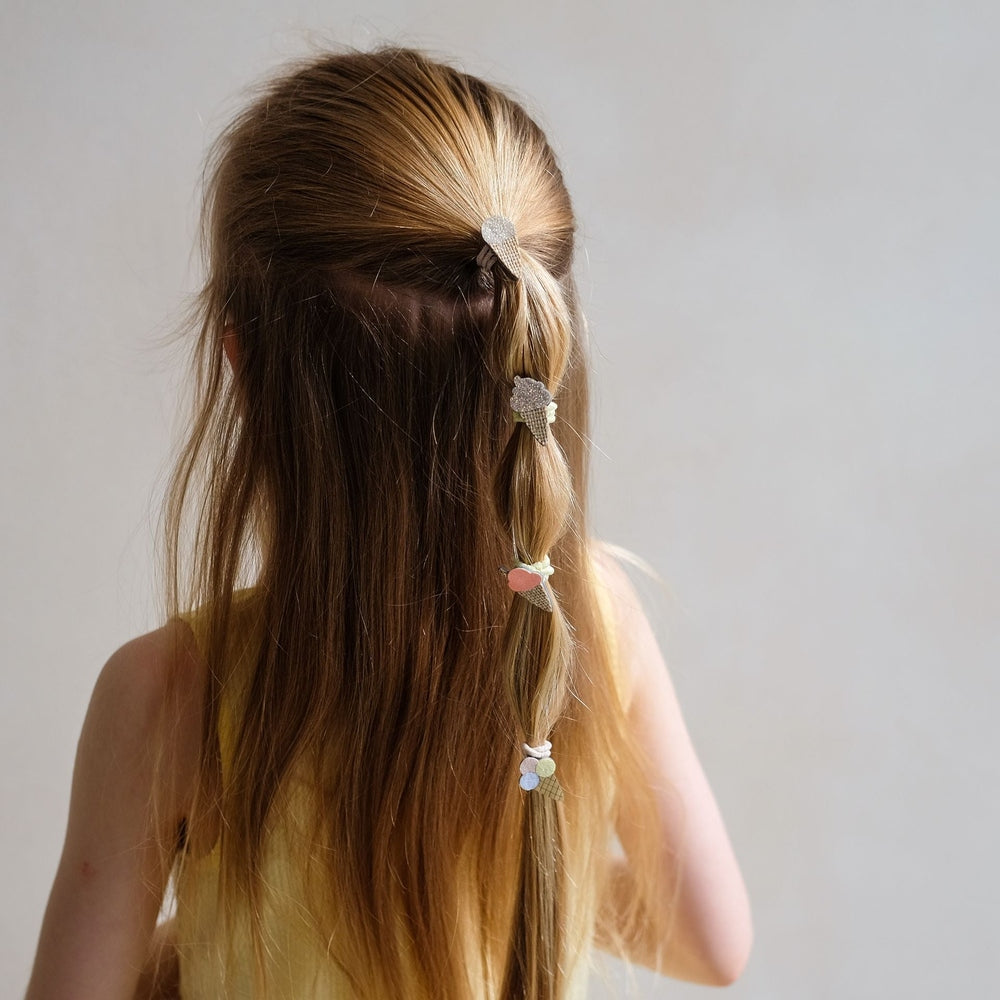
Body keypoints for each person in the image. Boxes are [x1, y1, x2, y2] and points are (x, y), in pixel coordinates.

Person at [24, 45, 752, 1000]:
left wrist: (201, 942)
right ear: (539, 343)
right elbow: (712, 944)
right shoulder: (591, 614)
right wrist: (491, 896)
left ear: (243, 364)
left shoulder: (170, 695)